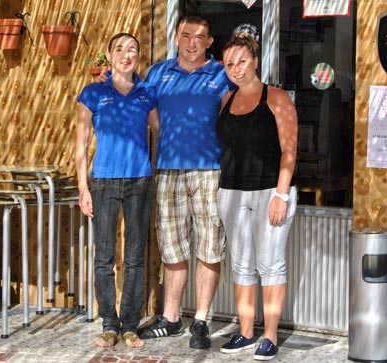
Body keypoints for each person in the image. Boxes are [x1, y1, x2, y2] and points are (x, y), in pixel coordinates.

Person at [138, 14, 234, 349]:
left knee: (209, 244)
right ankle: (172, 318)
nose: (192, 42)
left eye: (200, 37)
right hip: (168, 169)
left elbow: (235, 114)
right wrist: (164, 136)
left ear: (210, 42)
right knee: (172, 245)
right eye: (186, 35)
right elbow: (147, 107)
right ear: (177, 37)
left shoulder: (222, 74)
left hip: (209, 170)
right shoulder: (159, 73)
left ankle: (202, 321)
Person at [215, 33, 298, 361]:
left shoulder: (276, 98)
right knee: (242, 266)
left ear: (255, 60)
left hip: (269, 191)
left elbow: (290, 149)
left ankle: (270, 336)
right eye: (230, 63)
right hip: (232, 192)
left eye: (242, 61)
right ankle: (246, 331)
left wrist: (281, 193)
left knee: (270, 265)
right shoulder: (225, 101)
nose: (236, 69)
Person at [76, 32, 159, 349]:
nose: (127, 54)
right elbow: (81, 146)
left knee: (136, 257)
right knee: (105, 257)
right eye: (121, 49)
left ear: (139, 57)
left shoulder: (146, 93)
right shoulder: (93, 93)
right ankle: (109, 325)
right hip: (104, 181)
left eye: (133, 49)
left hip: (140, 180)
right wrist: (84, 187)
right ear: (109, 56)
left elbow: (160, 133)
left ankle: (130, 326)